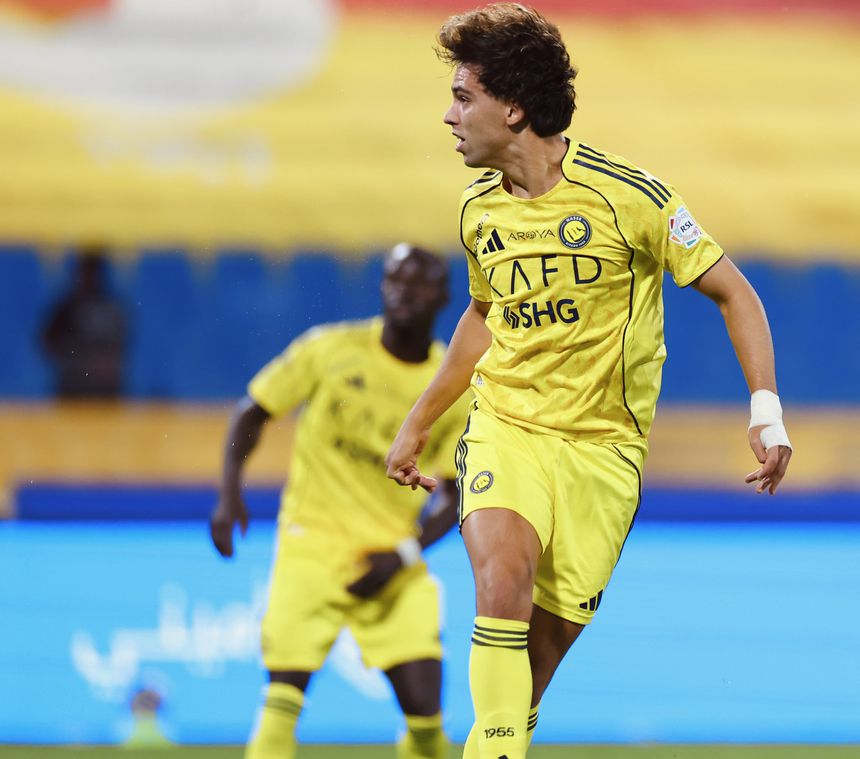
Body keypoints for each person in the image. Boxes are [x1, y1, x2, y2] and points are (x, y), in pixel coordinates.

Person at [385, 5, 793, 758]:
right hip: (508, 426)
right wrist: (422, 416)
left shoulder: (630, 197)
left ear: (512, 107)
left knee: (525, 683)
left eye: (463, 96)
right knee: (500, 580)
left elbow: (736, 291)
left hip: (605, 454)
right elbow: (484, 315)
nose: (449, 116)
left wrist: (765, 410)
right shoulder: (479, 210)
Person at [210, 243, 470, 759]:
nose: (404, 290)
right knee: (282, 699)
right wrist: (229, 493)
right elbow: (252, 410)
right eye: (395, 278)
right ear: (381, 286)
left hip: (392, 559)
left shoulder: (454, 388)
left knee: (425, 719)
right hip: (311, 545)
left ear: (443, 297)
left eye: (419, 281)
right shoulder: (330, 349)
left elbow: (456, 495)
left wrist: (404, 556)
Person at [41, 244, 127, 398]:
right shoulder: (65, 309)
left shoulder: (113, 309)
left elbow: (119, 353)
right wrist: (79, 357)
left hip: (105, 396)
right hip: (73, 393)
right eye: (85, 270)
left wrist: (100, 362)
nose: (88, 276)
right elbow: (46, 344)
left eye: (92, 271)